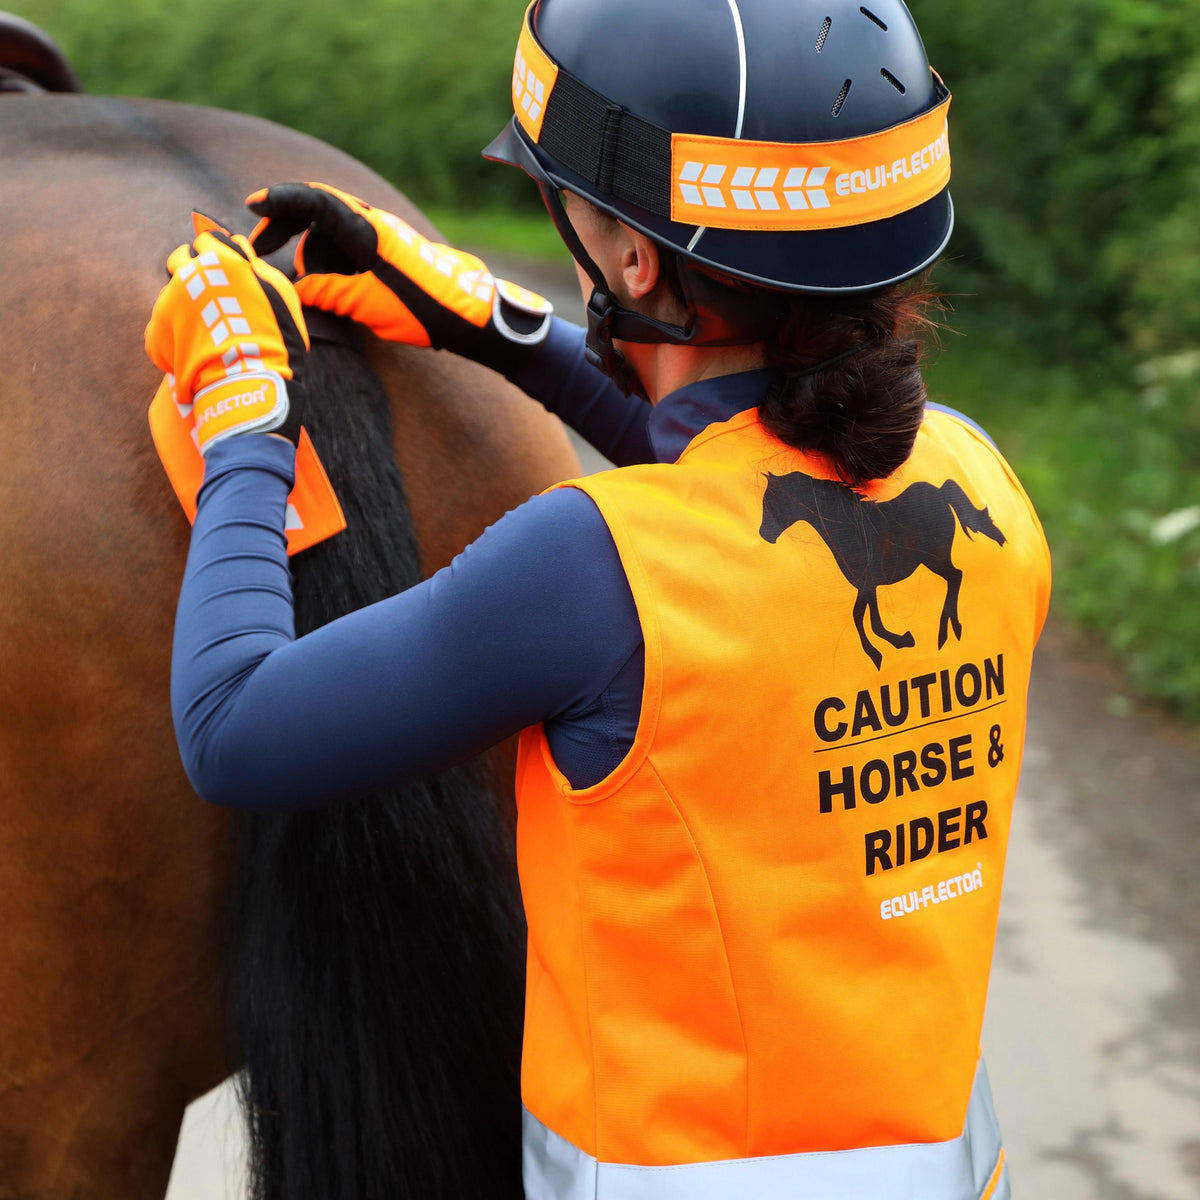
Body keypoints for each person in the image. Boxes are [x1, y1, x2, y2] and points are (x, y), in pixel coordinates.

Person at [146, 0, 1050, 1196]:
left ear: (634, 261)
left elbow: (233, 727)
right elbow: (742, 466)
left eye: (563, 207)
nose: (563, 234)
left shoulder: (592, 568)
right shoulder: (981, 474)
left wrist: (246, 413)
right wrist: (477, 311)